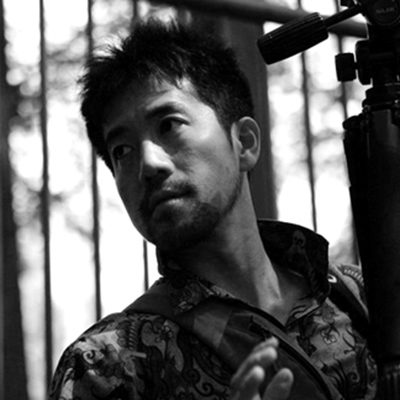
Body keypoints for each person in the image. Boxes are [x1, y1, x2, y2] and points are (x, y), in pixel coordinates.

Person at [48, 18, 377, 400]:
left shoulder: (360, 298)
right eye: (122, 151)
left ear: (245, 143)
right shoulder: (107, 366)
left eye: (169, 125)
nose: (148, 164)